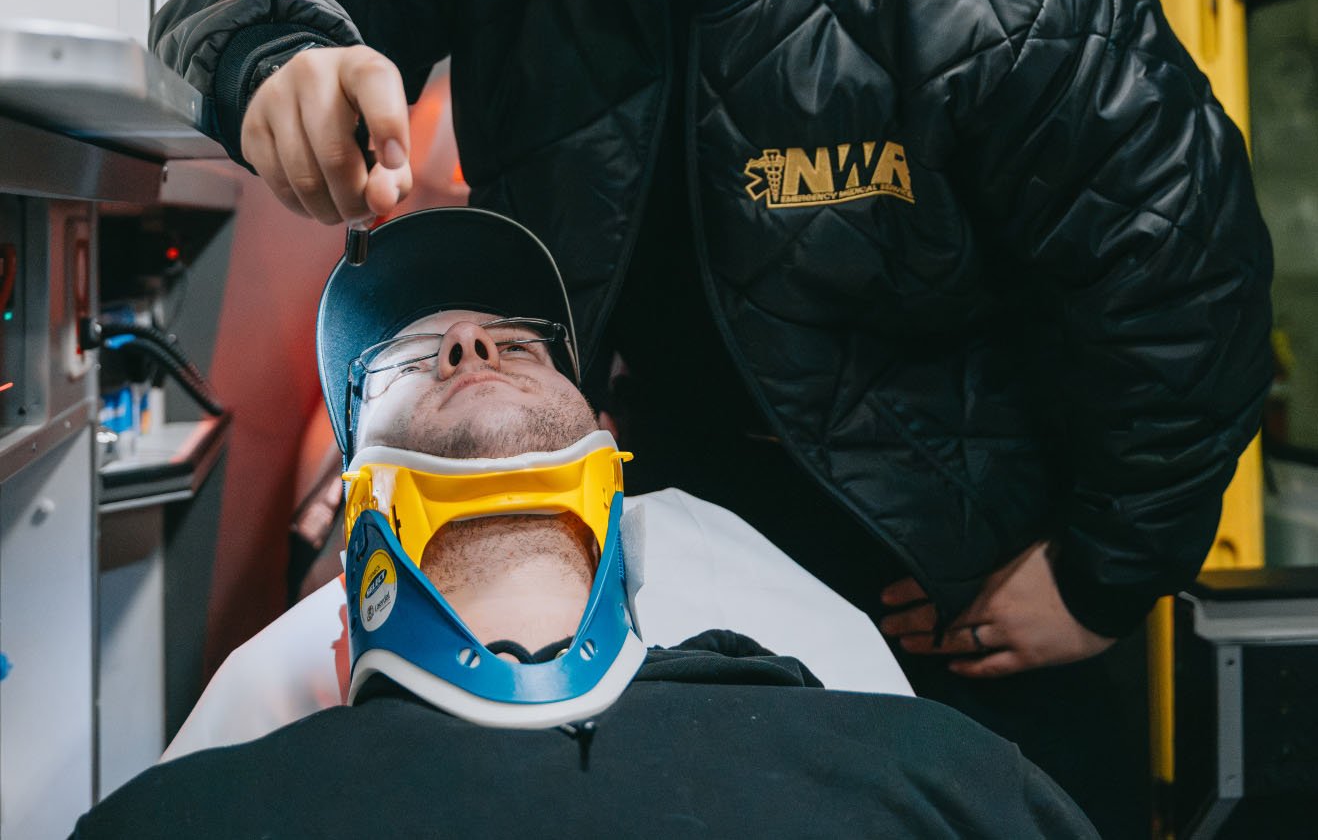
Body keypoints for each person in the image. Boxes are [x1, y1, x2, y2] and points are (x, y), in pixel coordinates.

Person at [150, 0, 1272, 829]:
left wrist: (1097, 571)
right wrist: (280, 52)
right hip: (666, 510)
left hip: (954, 563)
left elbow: (1184, 285)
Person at [73, 206, 1098, 839]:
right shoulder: (183, 816)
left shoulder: (943, 775)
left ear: (604, 440)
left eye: (521, 345)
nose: (471, 340)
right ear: (355, 482)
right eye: (406, 357)